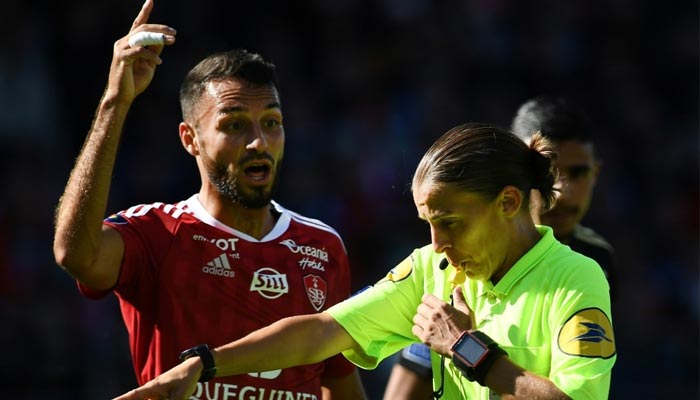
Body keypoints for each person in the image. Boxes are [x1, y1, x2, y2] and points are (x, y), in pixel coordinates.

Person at [114, 123, 617, 400]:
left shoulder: (575, 278)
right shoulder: (433, 270)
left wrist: (464, 348)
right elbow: (320, 332)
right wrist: (203, 365)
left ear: (508, 203)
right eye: (428, 223)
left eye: (451, 223)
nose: (436, 242)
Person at [52, 1, 367, 399]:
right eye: (234, 125)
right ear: (191, 139)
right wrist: (115, 103)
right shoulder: (157, 233)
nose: (258, 142)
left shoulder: (322, 246)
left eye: (272, 123)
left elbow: (338, 380)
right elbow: (74, 255)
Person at [383, 95, 618, 399]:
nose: (563, 192)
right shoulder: (459, 261)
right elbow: (413, 378)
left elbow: (584, 379)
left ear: (596, 173)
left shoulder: (596, 260)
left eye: (579, 173)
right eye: (549, 169)